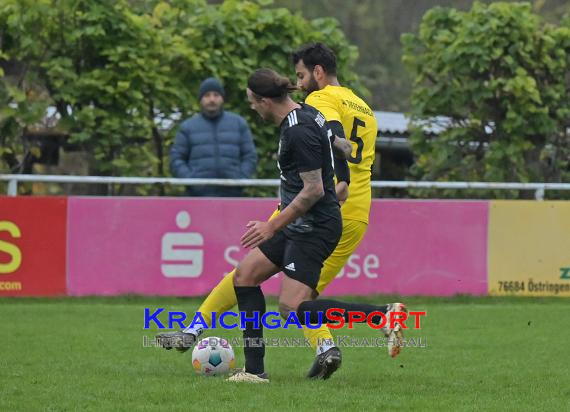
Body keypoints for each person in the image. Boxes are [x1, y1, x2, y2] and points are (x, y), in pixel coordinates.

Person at [158, 44, 406, 380]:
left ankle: (381, 317)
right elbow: (333, 141)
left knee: (294, 306)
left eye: (251, 102)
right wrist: (342, 169)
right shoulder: (342, 106)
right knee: (246, 275)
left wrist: (273, 224)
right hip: (335, 212)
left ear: (263, 101)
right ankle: (254, 370)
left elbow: (315, 186)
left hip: (314, 220)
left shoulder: (307, 116)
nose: (302, 82)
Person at [170, 77, 257, 197]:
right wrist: (191, 180)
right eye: (207, 95)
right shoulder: (187, 127)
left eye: (216, 95)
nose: (212, 99)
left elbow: (250, 156)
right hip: (197, 197)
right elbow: (176, 159)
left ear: (222, 98)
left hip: (233, 195)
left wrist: (240, 179)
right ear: (200, 99)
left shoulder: (238, 124)